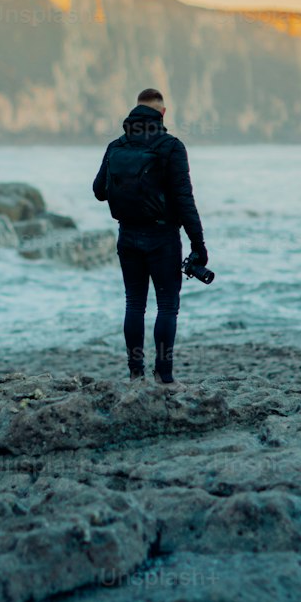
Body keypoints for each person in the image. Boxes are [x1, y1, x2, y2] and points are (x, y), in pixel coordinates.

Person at [92, 87, 208, 389]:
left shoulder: (116, 145)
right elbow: (185, 200)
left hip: (127, 236)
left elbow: (99, 191)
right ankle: (163, 375)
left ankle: (135, 373)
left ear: (135, 110)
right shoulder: (171, 146)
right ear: (163, 113)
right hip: (163, 237)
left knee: (134, 304)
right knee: (167, 306)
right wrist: (199, 245)